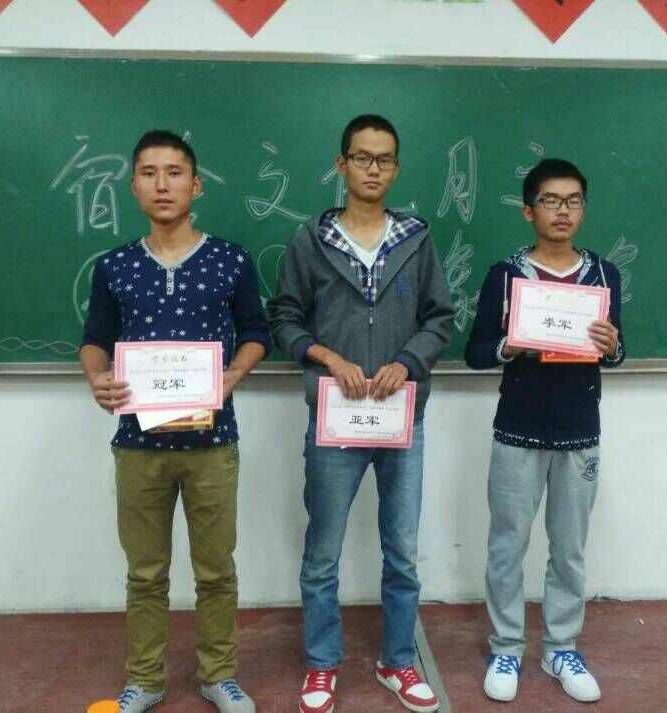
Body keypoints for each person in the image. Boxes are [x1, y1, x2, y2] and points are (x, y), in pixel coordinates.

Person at [267, 114, 454, 713]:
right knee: (322, 552)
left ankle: (397, 660)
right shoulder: (311, 241)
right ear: (341, 164)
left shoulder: (416, 240)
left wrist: (407, 362)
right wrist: (326, 356)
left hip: (402, 417)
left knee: (402, 550)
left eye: (385, 159)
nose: (374, 168)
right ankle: (322, 665)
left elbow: (440, 318)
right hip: (335, 418)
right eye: (362, 157)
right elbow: (283, 318)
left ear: (396, 169)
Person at [80, 130, 270, 713]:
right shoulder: (114, 266)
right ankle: (145, 680)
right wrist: (97, 377)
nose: (162, 184)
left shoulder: (231, 260)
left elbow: (257, 333)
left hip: (213, 441)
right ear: (133, 186)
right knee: (145, 572)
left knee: (216, 570)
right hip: (138, 445)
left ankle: (219, 675)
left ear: (196, 184)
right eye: (149, 173)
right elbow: (94, 340)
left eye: (174, 172)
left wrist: (232, 376)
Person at [464, 158, 624, 704]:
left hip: (579, 429)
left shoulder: (603, 275)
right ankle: (507, 646)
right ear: (529, 211)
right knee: (507, 544)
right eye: (551, 200)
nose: (563, 210)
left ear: (583, 209)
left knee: (570, 548)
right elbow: (476, 353)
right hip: (518, 428)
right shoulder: (506, 275)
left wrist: (611, 346)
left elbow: (617, 352)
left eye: (573, 200)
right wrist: (510, 344)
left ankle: (560, 646)